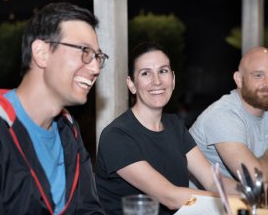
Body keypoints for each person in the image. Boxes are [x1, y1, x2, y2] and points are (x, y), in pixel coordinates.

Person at [95, 42, 238, 215]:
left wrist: (257, 194)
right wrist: (237, 203)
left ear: (173, 79)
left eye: (163, 71)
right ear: (131, 84)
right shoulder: (116, 136)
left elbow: (213, 181)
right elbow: (170, 197)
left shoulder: (174, 125)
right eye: (146, 73)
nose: (157, 81)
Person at [0, 2, 108, 215]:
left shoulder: (69, 129)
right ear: (42, 53)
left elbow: (89, 209)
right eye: (84, 51)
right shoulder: (1, 126)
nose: (95, 68)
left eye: (97, 56)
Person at [189, 47, 268, 213]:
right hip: (203, 207)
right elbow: (255, 181)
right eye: (258, 75)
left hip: (246, 204)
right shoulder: (223, 114)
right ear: (239, 79)